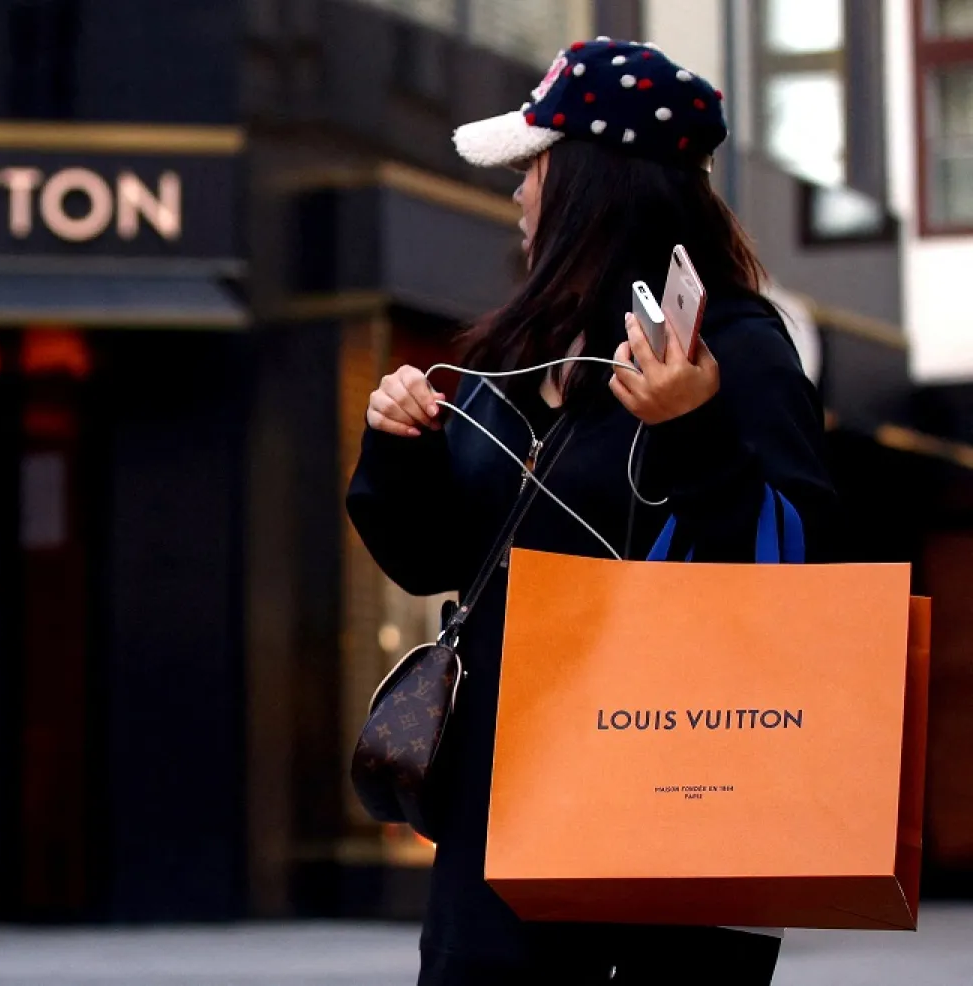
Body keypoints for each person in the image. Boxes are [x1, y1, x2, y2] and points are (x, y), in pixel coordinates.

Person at [347, 39, 833, 986]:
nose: (520, 194)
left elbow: (801, 576)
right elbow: (433, 558)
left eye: (534, 166)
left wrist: (695, 431)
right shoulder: (524, 350)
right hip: (504, 803)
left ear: (589, 179)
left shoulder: (734, 345)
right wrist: (397, 446)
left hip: (677, 792)